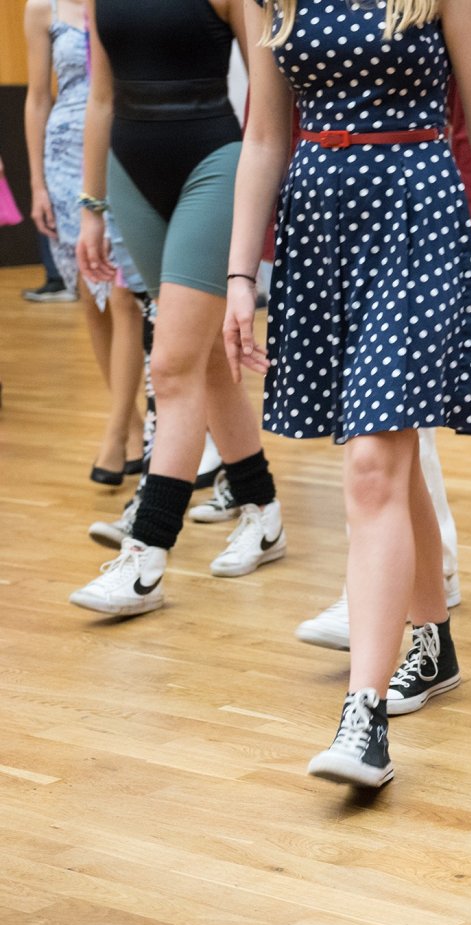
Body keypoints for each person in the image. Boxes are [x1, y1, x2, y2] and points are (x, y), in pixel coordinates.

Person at [226, 0, 471, 788]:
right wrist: (239, 276)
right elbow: (264, 137)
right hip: (320, 225)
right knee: (387, 456)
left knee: (371, 462)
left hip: (416, 216)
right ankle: (432, 642)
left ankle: (363, 718)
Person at [69, 0, 287, 617]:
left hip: (213, 167)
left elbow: (269, 101)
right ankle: (262, 508)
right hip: (130, 173)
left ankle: (146, 554)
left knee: (169, 365)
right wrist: (91, 206)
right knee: (204, 359)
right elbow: (100, 98)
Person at [24, 0, 147, 486]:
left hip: (124, 148)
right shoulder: (42, 8)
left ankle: (115, 432)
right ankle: (131, 424)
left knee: (123, 296)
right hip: (63, 158)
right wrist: (37, 184)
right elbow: (38, 98)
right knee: (89, 297)